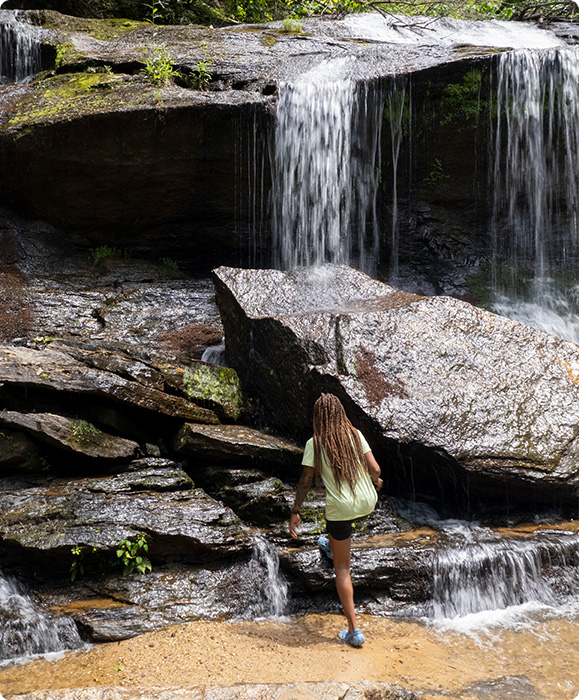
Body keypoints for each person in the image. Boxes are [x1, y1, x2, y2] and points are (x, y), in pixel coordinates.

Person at [289, 393, 383, 647]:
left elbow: (306, 481)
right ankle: (331, 545)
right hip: (366, 502)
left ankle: (354, 631)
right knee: (339, 531)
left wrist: (296, 510)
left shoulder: (315, 443)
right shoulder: (356, 434)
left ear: (318, 417)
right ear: (341, 412)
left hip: (341, 510)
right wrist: (375, 482)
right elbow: (375, 469)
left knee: (342, 568)